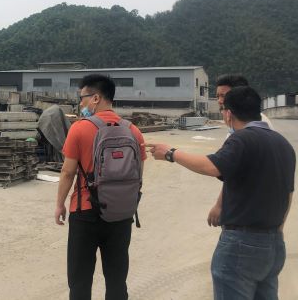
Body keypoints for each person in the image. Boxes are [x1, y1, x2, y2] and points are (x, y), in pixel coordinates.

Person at [149, 86, 295, 300]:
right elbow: (289, 193)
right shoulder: (283, 144)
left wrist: (171, 153)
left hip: (241, 244)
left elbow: (212, 166)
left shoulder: (242, 139)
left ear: (228, 114)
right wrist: (276, 232)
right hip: (273, 244)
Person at [55, 74, 147, 300]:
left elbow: (67, 172)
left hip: (85, 211)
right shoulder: (133, 131)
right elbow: (138, 175)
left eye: (82, 98)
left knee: (80, 280)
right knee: (117, 278)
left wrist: (59, 204)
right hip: (121, 214)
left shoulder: (79, 128)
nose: (81, 104)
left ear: (95, 98)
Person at [208, 75, 273, 227]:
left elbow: (217, 167)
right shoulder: (239, 125)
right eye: (217, 96)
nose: (220, 101)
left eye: (223, 95)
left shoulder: (253, 126)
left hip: (248, 216)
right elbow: (232, 169)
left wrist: (172, 154)